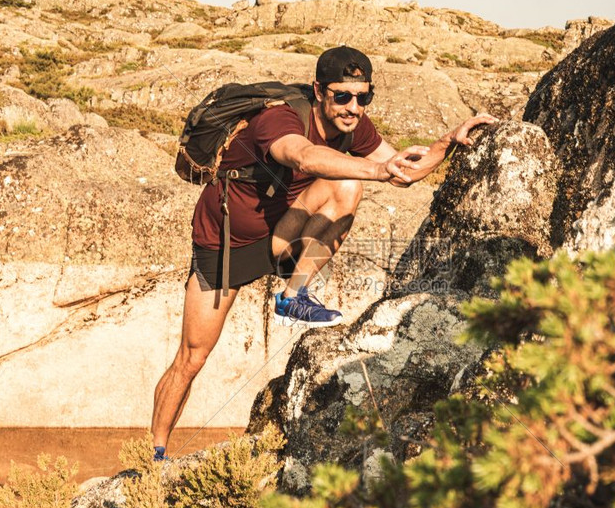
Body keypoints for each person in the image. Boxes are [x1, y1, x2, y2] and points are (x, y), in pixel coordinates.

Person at [151, 46, 497, 460]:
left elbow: (402, 170)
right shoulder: (279, 117)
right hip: (225, 244)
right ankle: (154, 454)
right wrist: (373, 169)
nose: (354, 108)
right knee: (192, 357)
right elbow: (303, 156)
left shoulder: (354, 126)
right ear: (319, 91)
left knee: (349, 187)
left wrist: (445, 144)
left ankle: (293, 294)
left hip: (283, 231)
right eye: (342, 96)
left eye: (363, 97)